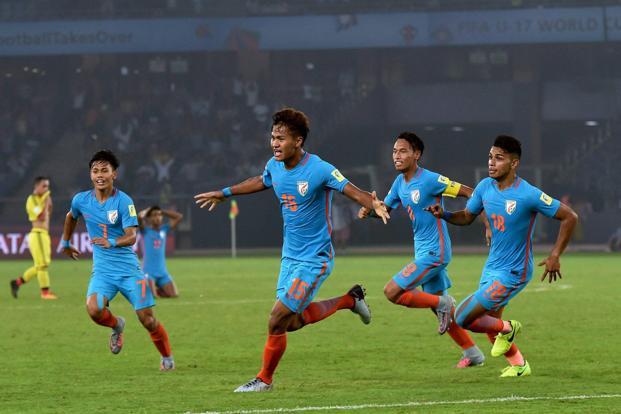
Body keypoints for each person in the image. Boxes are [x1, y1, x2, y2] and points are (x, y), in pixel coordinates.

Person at [194, 107, 390, 392]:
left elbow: (352, 190)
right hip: (290, 258)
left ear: (298, 141)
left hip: (315, 258)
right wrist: (224, 193)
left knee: (276, 318)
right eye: (273, 137)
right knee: (290, 323)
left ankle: (263, 380)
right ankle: (350, 300)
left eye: (281, 138)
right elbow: (261, 181)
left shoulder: (319, 168)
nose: (275, 143)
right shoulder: (274, 166)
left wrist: (373, 204)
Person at [426, 135, 578, 377]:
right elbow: (467, 216)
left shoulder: (528, 194)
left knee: (463, 316)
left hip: (514, 272)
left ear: (514, 163)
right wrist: (444, 214)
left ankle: (509, 328)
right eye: (490, 157)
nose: (491, 163)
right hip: (492, 267)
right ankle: (519, 365)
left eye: (499, 158)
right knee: (488, 322)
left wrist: (555, 254)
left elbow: (570, 216)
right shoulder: (485, 187)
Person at [359, 132, 485, 368]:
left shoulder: (430, 180)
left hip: (436, 252)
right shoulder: (399, 183)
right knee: (435, 305)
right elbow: (386, 210)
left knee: (392, 291)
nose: (397, 156)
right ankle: (473, 353)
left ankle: (444, 305)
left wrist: (482, 221)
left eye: (403, 151)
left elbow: (471, 192)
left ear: (417, 154)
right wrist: (371, 211)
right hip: (422, 251)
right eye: (395, 151)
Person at [60, 150, 175, 371]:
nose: (99, 175)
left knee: (147, 319)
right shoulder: (81, 200)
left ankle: (167, 357)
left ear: (115, 174)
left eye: (105, 170)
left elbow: (132, 236)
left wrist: (111, 242)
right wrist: (65, 243)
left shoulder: (124, 202)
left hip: (130, 271)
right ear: (90, 174)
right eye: (95, 171)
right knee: (94, 310)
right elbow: (70, 217)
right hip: (103, 272)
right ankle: (117, 325)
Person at [11, 176, 58, 299]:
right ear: (36, 186)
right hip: (36, 233)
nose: (46, 188)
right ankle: (45, 293)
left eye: (47, 186)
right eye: (44, 186)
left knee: (43, 264)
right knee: (42, 264)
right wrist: (46, 202)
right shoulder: (31, 200)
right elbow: (40, 217)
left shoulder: (44, 199)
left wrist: (50, 206)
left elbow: (47, 216)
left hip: (44, 234)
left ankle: (17, 282)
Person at [138, 206, 183, 298]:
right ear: (149, 218)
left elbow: (179, 217)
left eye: (159, 215)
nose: (157, 217)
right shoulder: (145, 231)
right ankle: (145, 286)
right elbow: (139, 217)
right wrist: (147, 210)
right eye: (154, 215)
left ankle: (159, 289)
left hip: (162, 272)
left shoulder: (164, 229)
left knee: (174, 295)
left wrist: (162, 211)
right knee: (153, 297)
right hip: (148, 272)